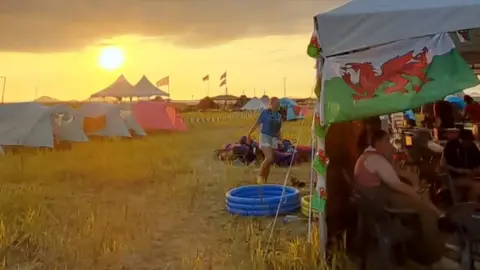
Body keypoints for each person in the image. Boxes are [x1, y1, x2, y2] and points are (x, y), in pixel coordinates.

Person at [354, 129, 445, 265]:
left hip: (376, 201)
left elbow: (396, 176)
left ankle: (438, 223)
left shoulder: (367, 156)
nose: (390, 144)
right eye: (387, 141)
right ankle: (433, 255)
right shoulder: (375, 159)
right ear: (378, 143)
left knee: (420, 199)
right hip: (383, 205)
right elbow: (396, 185)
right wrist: (415, 194)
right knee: (426, 211)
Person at [247, 97, 282, 184]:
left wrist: (280, 140)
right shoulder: (265, 113)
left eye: (279, 103)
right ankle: (260, 177)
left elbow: (278, 130)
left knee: (269, 160)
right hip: (265, 137)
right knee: (269, 158)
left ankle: (265, 182)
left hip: (273, 139)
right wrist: (249, 133)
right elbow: (256, 123)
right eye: (276, 103)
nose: (278, 105)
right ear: (271, 104)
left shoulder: (279, 116)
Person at [441, 129, 480, 201]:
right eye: (467, 141)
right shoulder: (451, 147)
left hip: (470, 176)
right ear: (460, 140)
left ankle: (470, 205)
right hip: (456, 177)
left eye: (470, 141)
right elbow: (444, 165)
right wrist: (460, 171)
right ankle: (471, 207)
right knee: (477, 187)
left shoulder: (472, 146)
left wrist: (476, 169)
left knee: (475, 189)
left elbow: (478, 160)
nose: (469, 143)